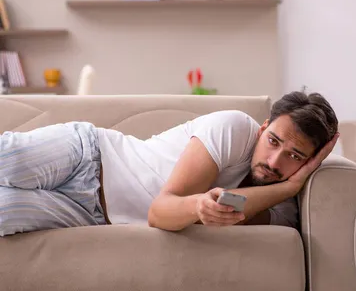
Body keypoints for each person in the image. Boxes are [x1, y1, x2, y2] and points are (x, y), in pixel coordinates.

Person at [0, 91, 338, 236]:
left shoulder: (284, 209)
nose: (274, 161)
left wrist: (289, 188)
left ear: (311, 161)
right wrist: (291, 181)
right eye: (273, 142)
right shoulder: (235, 129)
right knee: (10, 162)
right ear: (263, 128)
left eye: (295, 156)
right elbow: (161, 210)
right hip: (90, 156)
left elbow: (233, 207)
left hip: (90, 214)